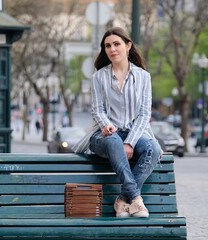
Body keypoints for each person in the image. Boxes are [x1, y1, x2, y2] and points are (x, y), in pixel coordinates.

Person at [73, 27, 162, 218]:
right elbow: (97, 110)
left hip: (134, 133)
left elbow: (144, 113)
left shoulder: (143, 77)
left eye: (116, 44)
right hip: (104, 136)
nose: (112, 49)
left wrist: (130, 142)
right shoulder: (98, 77)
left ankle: (122, 200)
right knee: (114, 140)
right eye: (107, 46)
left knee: (153, 149)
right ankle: (136, 200)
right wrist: (106, 124)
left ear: (128, 45)